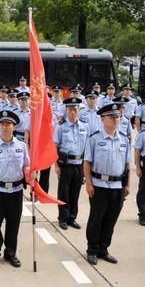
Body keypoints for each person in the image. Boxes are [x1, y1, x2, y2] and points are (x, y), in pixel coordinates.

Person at [0, 110, 30, 269]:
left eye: (8, 124)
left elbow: (26, 166)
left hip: (16, 192)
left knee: (13, 224)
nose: (4, 127)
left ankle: (11, 253)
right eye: (2, 124)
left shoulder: (22, 146)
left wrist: (31, 174)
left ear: (14, 127)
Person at [84, 103, 131, 265]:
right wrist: (88, 183)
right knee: (96, 219)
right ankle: (92, 250)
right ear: (103, 119)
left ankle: (103, 249)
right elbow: (87, 163)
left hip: (117, 186)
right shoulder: (95, 138)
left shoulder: (124, 139)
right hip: (99, 185)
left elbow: (127, 165)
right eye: (112, 117)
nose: (116, 119)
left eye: (117, 116)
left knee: (111, 219)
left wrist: (127, 185)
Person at [54, 97, 88, 230]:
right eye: (70, 109)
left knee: (75, 192)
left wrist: (86, 167)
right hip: (66, 164)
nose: (73, 112)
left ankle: (72, 217)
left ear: (78, 110)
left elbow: (88, 148)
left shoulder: (85, 127)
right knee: (64, 192)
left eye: (75, 109)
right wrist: (56, 165)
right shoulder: (61, 127)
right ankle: (62, 218)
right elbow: (55, 146)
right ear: (66, 111)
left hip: (79, 164)